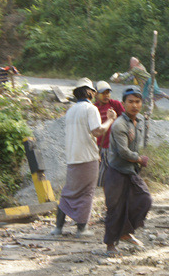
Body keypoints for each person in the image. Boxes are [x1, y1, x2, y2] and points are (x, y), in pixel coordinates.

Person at [50, 78, 117, 237]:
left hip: (73, 157)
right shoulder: (90, 109)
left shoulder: (71, 110)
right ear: (90, 92)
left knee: (69, 192)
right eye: (93, 92)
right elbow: (97, 131)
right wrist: (110, 120)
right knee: (87, 192)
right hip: (87, 158)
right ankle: (82, 228)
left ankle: (58, 228)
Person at [104, 86, 153, 256]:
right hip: (116, 172)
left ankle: (126, 232)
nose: (134, 105)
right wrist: (140, 159)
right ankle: (110, 245)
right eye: (130, 102)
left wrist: (137, 162)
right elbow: (123, 152)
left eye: (137, 101)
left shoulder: (137, 122)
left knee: (144, 199)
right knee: (114, 208)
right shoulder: (119, 124)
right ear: (123, 104)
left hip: (131, 171)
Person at [94, 81, 125, 187]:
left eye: (108, 93)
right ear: (96, 94)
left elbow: (125, 120)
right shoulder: (94, 108)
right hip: (101, 147)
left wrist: (115, 118)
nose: (106, 95)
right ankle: (108, 199)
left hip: (114, 146)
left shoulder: (115, 104)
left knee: (117, 175)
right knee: (103, 178)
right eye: (103, 93)